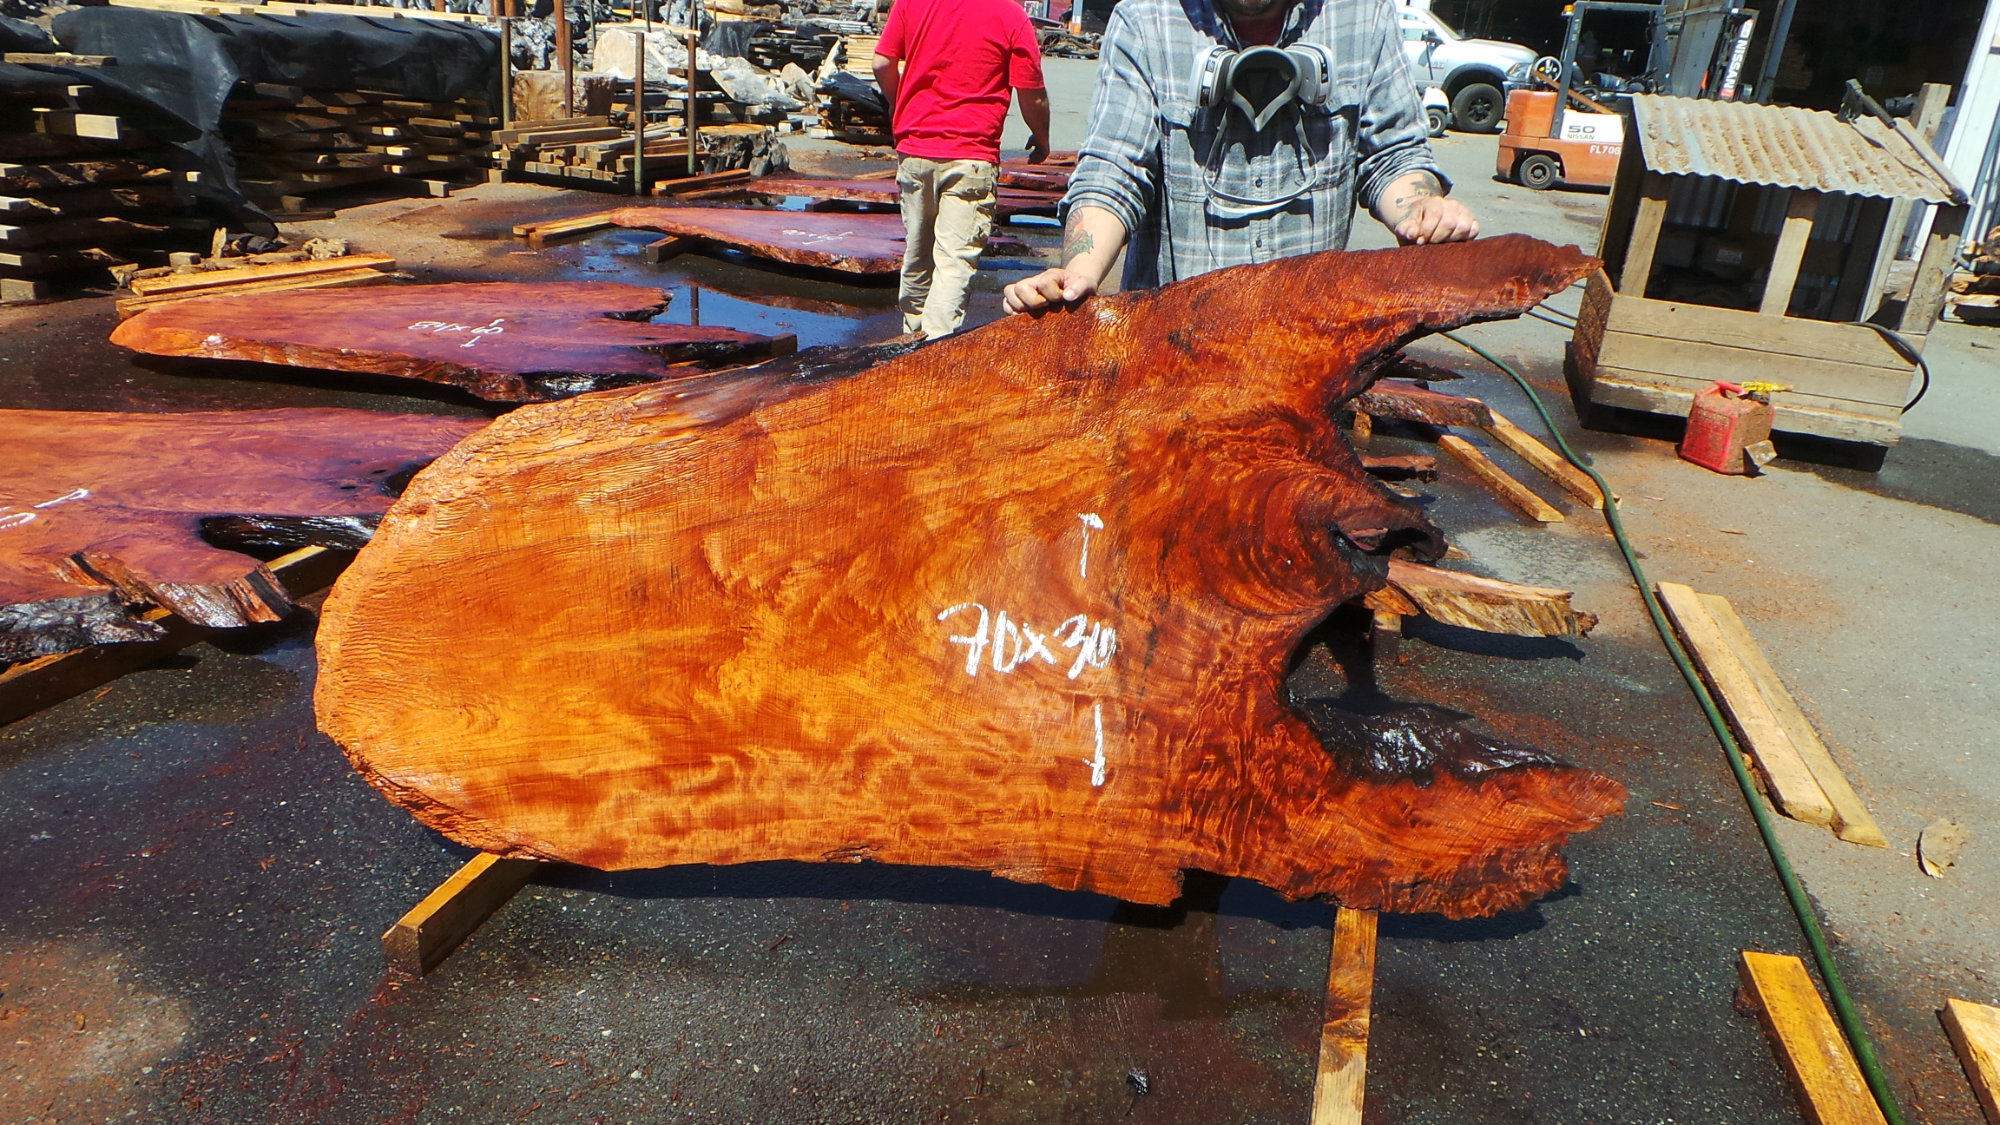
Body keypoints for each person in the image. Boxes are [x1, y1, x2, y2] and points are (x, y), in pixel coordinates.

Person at [1003, 0, 1478, 316]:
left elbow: (1392, 154)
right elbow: (1114, 169)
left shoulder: (1363, 15)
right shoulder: (1147, 18)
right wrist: (1078, 274)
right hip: (1171, 347)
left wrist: (1422, 211)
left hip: (1304, 344)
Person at [874, 0, 1053, 339]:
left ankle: (911, 339)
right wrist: (1042, 138)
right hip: (971, 156)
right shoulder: (1009, 14)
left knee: (917, 254)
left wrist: (901, 107)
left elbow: (882, 62)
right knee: (953, 263)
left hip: (915, 150)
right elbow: (1032, 93)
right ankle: (933, 355)